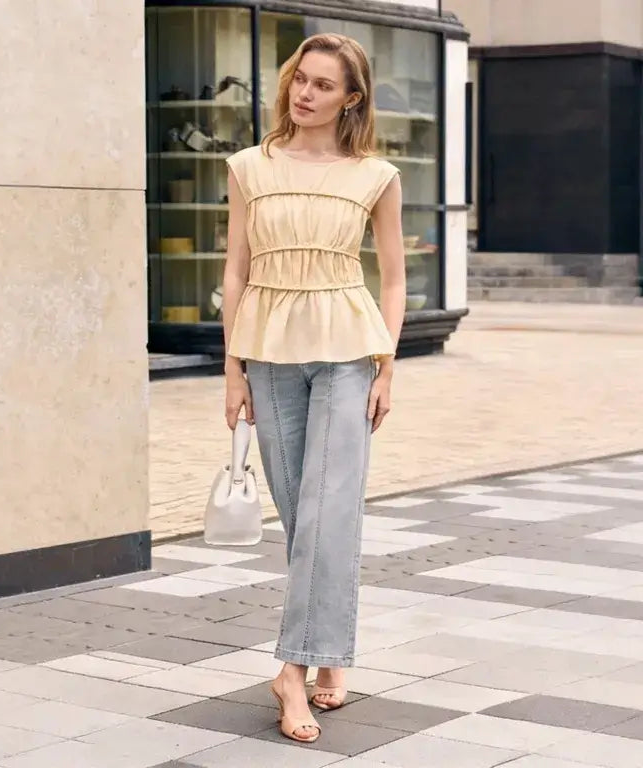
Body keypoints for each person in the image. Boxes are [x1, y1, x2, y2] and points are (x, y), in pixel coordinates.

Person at [219, 32, 406, 744]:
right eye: (301, 78)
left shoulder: (376, 176)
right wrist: (231, 369)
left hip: (348, 353)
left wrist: (388, 365)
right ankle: (329, 648)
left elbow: (391, 278)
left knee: (331, 509)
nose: (305, 93)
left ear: (351, 99)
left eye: (324, 85)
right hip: (267, 350)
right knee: (304, 514)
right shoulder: (248, 167)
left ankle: (291, 671)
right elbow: (234, 270)